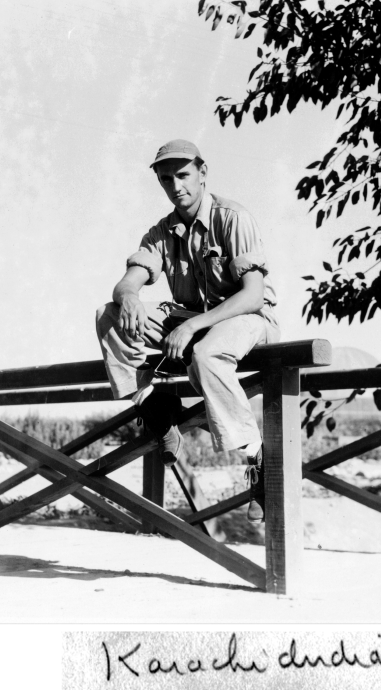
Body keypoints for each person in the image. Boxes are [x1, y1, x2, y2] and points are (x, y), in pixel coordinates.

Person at [95, 139, 280, 522]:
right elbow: (127, 281)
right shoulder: (162, 232)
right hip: (193, 323)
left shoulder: (232, 217)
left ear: (202, 173)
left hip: (248, 320)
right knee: (107, 314)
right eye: (166, 179)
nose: (175, 185)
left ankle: (258, 462)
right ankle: (156, 409)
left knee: (206, 354)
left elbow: (253, 296)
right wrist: (128, 294)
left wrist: (194, 324)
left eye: (182, 175)